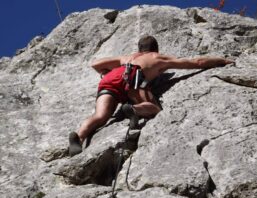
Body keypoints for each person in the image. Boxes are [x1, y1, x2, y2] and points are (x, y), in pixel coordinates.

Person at [68, 35, 233, 156]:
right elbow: (196, 62)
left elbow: (96, 65)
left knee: (100, 115)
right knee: (155, 109)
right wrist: (221, 60)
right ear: (156, 49)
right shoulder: (158, 57)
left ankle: (79, 137)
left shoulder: (127, 57)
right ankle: (134, 109)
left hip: (113, 78)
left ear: (140, 49)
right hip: (135, 78)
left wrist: (106, 71)